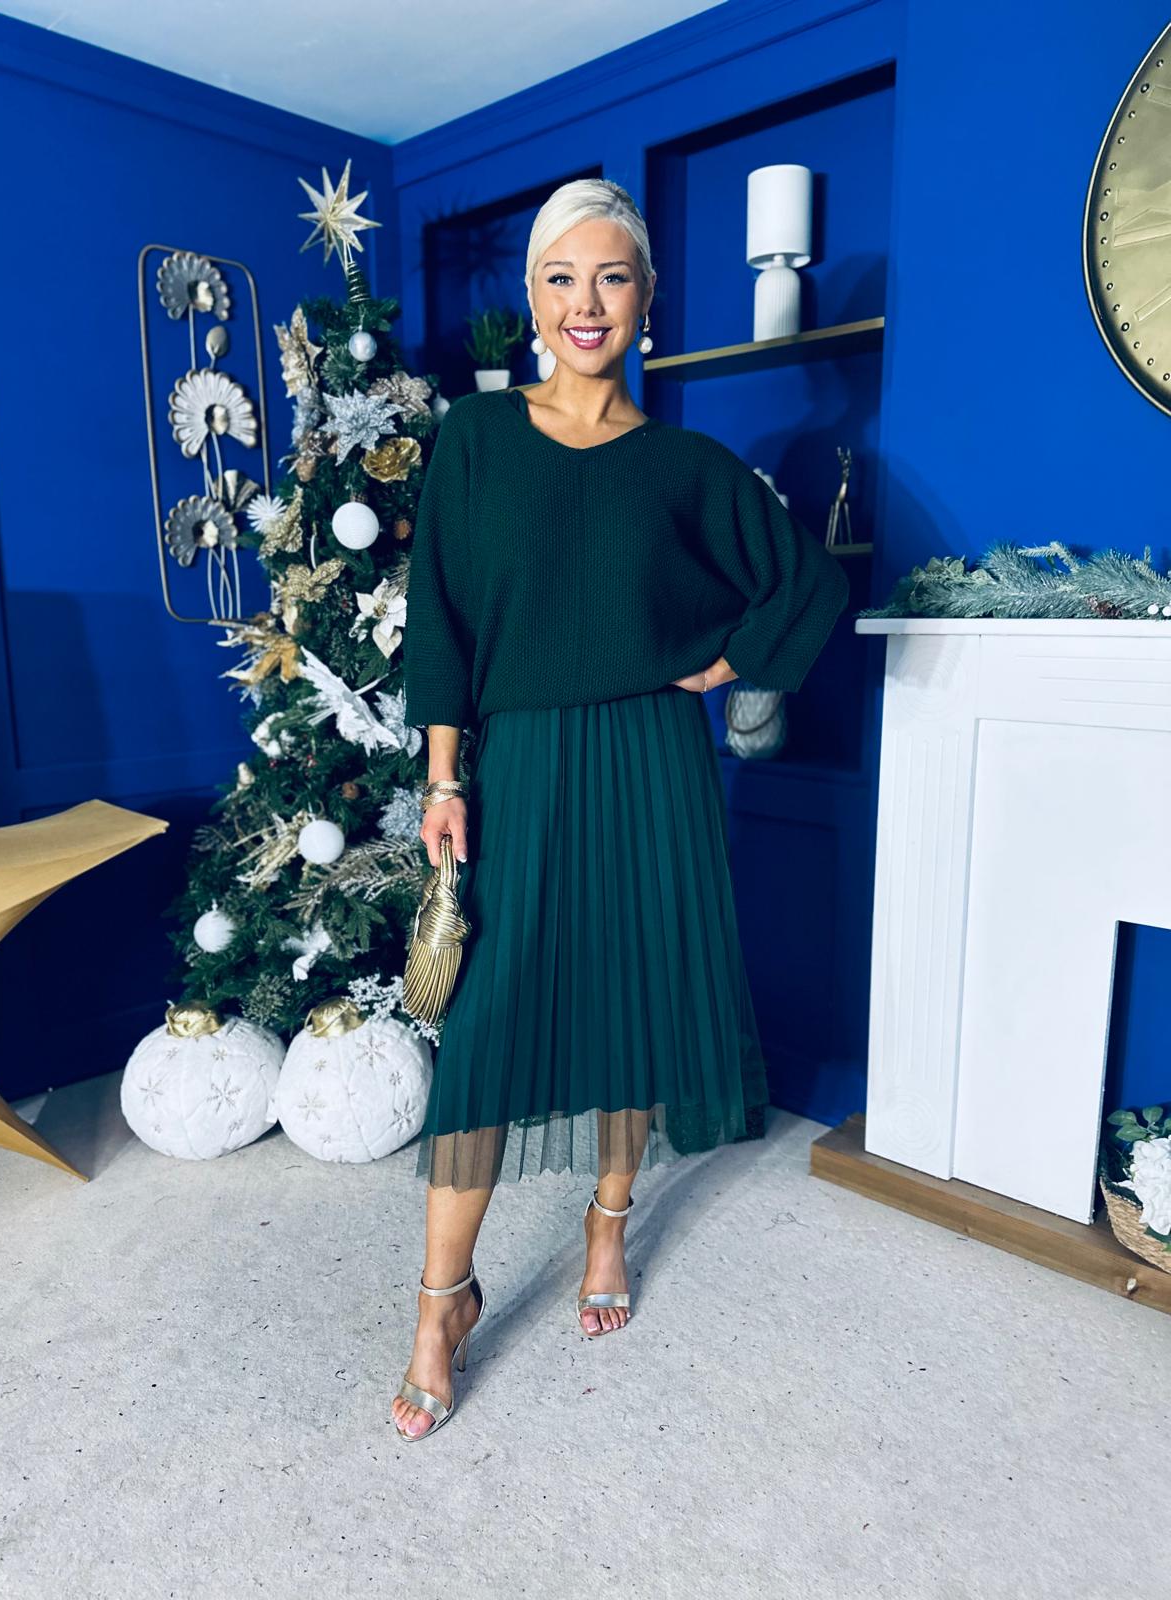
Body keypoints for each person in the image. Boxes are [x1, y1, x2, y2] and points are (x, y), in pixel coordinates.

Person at [393, 177, 850, 1441]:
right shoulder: (477, 441)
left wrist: (723, 662)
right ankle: (441, 1300)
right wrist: (444, 777)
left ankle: (609, 1223)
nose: (584, 302)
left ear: (648, 300)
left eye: (611, 277)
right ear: (533, 298)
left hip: (653, 762)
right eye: (561, 278)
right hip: (524, 765)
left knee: (633, 1003)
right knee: (486, 1033)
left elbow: (806, 585)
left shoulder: (688, 467)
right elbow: (442, 615)